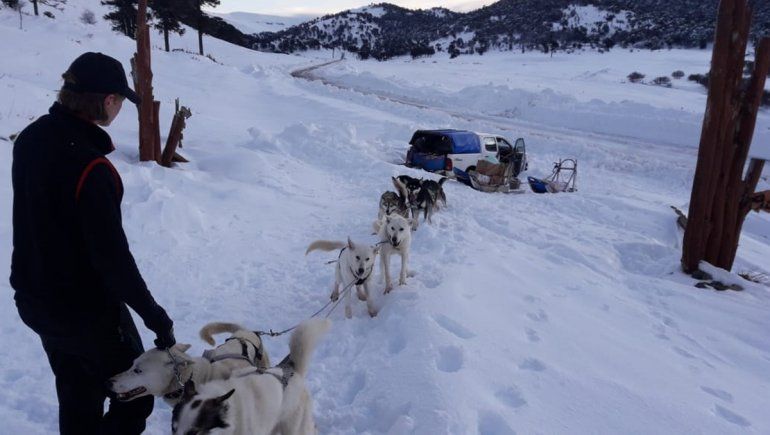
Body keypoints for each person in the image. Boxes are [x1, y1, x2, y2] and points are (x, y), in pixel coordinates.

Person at [10, 52, 175, 435]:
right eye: (118, 100)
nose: (118, 108)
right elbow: (112, 260)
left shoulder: (31, 138)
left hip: (35, 300)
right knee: (135, 394)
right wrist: (155, 316)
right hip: (83, 310)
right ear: (107, 101)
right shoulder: (92, 168)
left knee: (77, 391)